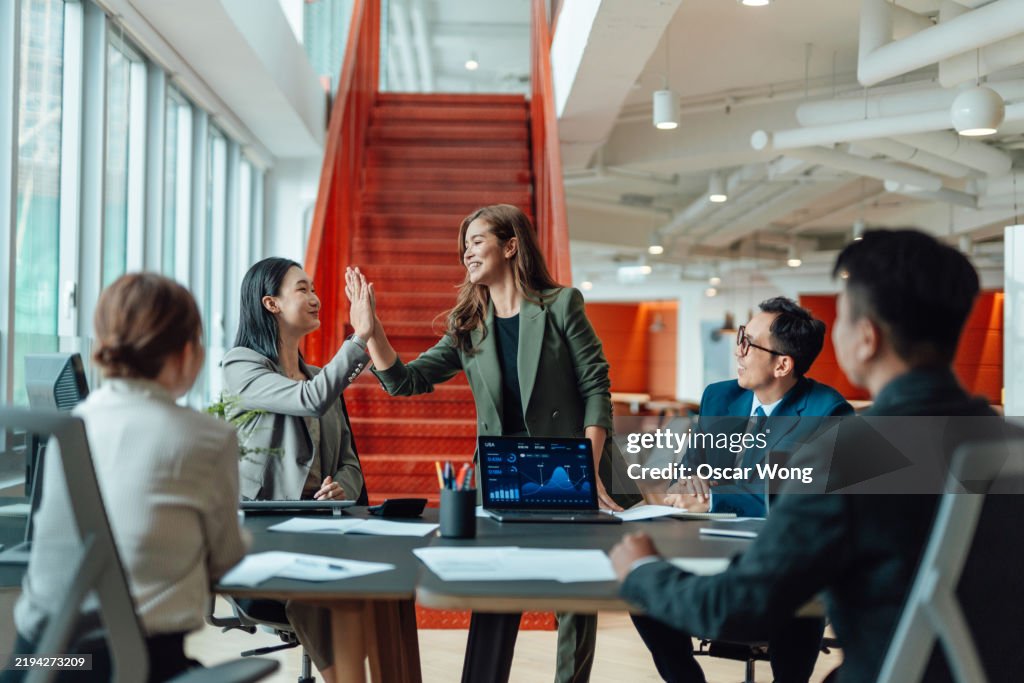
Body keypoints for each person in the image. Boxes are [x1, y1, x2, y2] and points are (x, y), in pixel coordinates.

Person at [610, 229, 1005, 683]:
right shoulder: (1007, 445)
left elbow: (736, 608)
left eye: (842, 316)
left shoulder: (845, 451)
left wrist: (641, 570)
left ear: (866, 337)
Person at [355, 203, 640, 683]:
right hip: (504, 472)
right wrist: (372, 332)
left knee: (573, 595)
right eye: (464, 245)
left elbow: (596, 387)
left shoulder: (561, 304)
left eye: (477, 241)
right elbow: (406, 381)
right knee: (494, 588)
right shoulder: (468, 324)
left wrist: (586, 469)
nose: (466, 252)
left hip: (568, 464)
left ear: (510, 246)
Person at [4, 273, 248, 683]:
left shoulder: (71, 426)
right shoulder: (207, 437)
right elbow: (225, 560)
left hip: (36, 663)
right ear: (187, 352)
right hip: (136, 665)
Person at [634, 297, 852, 683]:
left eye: (749, 343)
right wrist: (685, 485)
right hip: (706, 550)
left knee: (802, 586)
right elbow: (689, 471)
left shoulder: (827, 412)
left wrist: (713, 499)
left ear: (782, 365)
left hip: (779, 563)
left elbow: (796, 496)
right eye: (740, 337)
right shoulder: (719, 397)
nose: (738, 350)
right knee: (641, 575)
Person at [221, 256, 375, 683]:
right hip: (263, 532)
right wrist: (360, 338)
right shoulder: (241, 366)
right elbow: (309, 399)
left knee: (381, 581)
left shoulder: (319, 377)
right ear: (270, 304)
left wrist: (341, 486)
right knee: (319, 594)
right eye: (303, 289)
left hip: (321, 526)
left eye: (314, 289)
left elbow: (349, 462)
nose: (315, 298)